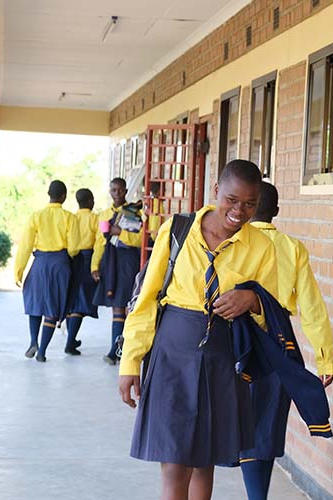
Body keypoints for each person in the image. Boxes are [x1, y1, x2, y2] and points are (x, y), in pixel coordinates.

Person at [119, 159, 278, 500]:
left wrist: (251, 299)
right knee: (176, 462)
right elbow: (147, 299)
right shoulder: (178, 230)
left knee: (205, 460)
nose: (239, 211)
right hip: (174, 350)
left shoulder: (261, 247)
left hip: (222, 355)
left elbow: (273, 312)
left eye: (250, 204)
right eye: (232, 200)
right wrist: (130, 362)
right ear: (216, 191)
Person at [241, 181, 333, 500]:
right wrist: (324, 359)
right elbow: (312, 308)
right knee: (264, 425)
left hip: (234, 338)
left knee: (223, 418)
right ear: (277, 212)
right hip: (277, 343)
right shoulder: (291, 247)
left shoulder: (232, 242)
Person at [14, 180, 80, 363]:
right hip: (60, 264)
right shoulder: (70, 217)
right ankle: (42, 351)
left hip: (40, 263)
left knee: (35, 302)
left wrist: (18, 271)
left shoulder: (37, 216)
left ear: (48, 194)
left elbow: (26, 245)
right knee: (52, 306)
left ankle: (33, 341)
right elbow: (74, 248)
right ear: (63, 197)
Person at [92, 177, 143, 365]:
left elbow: (138, 240)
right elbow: (100, 242)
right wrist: (94, 265)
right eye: (114, 190)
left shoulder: (132, 211)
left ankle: (121, 350)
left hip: (127, 261)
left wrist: (119, 232)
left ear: (126, 191)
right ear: (109, 191)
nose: (117, 193)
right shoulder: (104, 214)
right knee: (116, 307)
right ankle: (115, 350)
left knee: (126, 306)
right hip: (110, 261)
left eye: (121, 190)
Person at [64, 188, 99, 355]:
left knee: (73, 300)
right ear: (91, 200)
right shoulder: (95, 219)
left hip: (71, 258)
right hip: (87, 258)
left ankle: (71, 340)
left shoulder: (72, 217)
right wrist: (96, 266)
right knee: (81, 302)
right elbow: (100, 242)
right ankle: (70, 342)